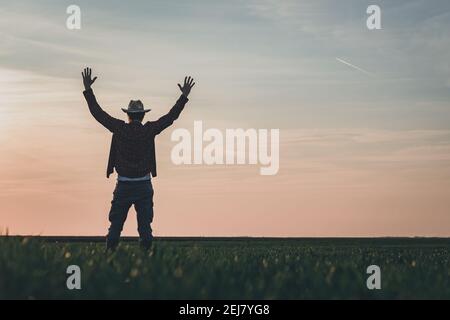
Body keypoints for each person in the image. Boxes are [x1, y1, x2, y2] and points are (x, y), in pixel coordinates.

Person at [81, 67, 195, 250]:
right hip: (144, 186)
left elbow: (98, 114)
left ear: (128, 114)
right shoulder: (149, 130)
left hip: (124, 186)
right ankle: (146, 263)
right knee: (145, 229)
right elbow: (170, 118)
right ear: (142, 115)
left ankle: (109, 258)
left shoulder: (119, 128)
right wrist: (183, 97)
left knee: (115, 228)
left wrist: (88, 90)